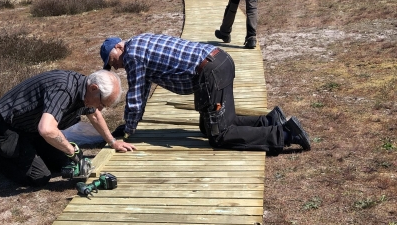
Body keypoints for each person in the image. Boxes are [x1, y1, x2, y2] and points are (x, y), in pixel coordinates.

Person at [100, 34, 310, 153]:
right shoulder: (140, 41)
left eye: (112, 60)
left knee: (219, 135)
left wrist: (127, 131)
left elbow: (136, 96)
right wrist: (131, 124)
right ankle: (271, 120)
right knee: (211, 125)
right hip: (219, 61)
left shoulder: (132, 55)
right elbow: (143, 90)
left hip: (209, 73)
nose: (116, 66)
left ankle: (286, 134)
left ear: (119, 47)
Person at [0, 69, 135, 185]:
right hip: (8, 124)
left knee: (63, 164)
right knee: (38, 177)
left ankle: (32, 151)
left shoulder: (86, 92)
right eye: (102, 103)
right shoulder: (64, 89)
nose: (100, 108)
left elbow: (94, 115)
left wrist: (113, 142)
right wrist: (72, 151)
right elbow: (47, 129)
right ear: (94, 88)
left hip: (33, 126)